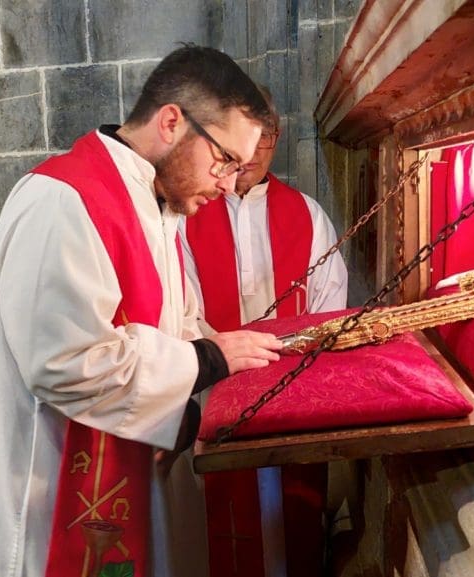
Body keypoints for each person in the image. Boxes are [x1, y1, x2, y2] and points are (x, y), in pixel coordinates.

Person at [0, 45, 285, 577]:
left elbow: (179, 323)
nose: (228, 185)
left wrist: (208, 389)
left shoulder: (158, 203)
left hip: (133, 473)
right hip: (51, 494)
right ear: (172, 121)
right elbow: (67, 362)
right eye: (225, 160)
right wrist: (207, 362)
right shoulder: (62, 199)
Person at [180, 87, 348, 577]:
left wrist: (291, 363)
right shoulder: (189, 215)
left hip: (290, 399)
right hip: (216, 398)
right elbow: (181, 309)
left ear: (275, 136)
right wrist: (228, 361)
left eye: (265, 138)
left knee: (290, 527)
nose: (251, 155)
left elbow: (328, 307)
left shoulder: (307, 214)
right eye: (240, 141)